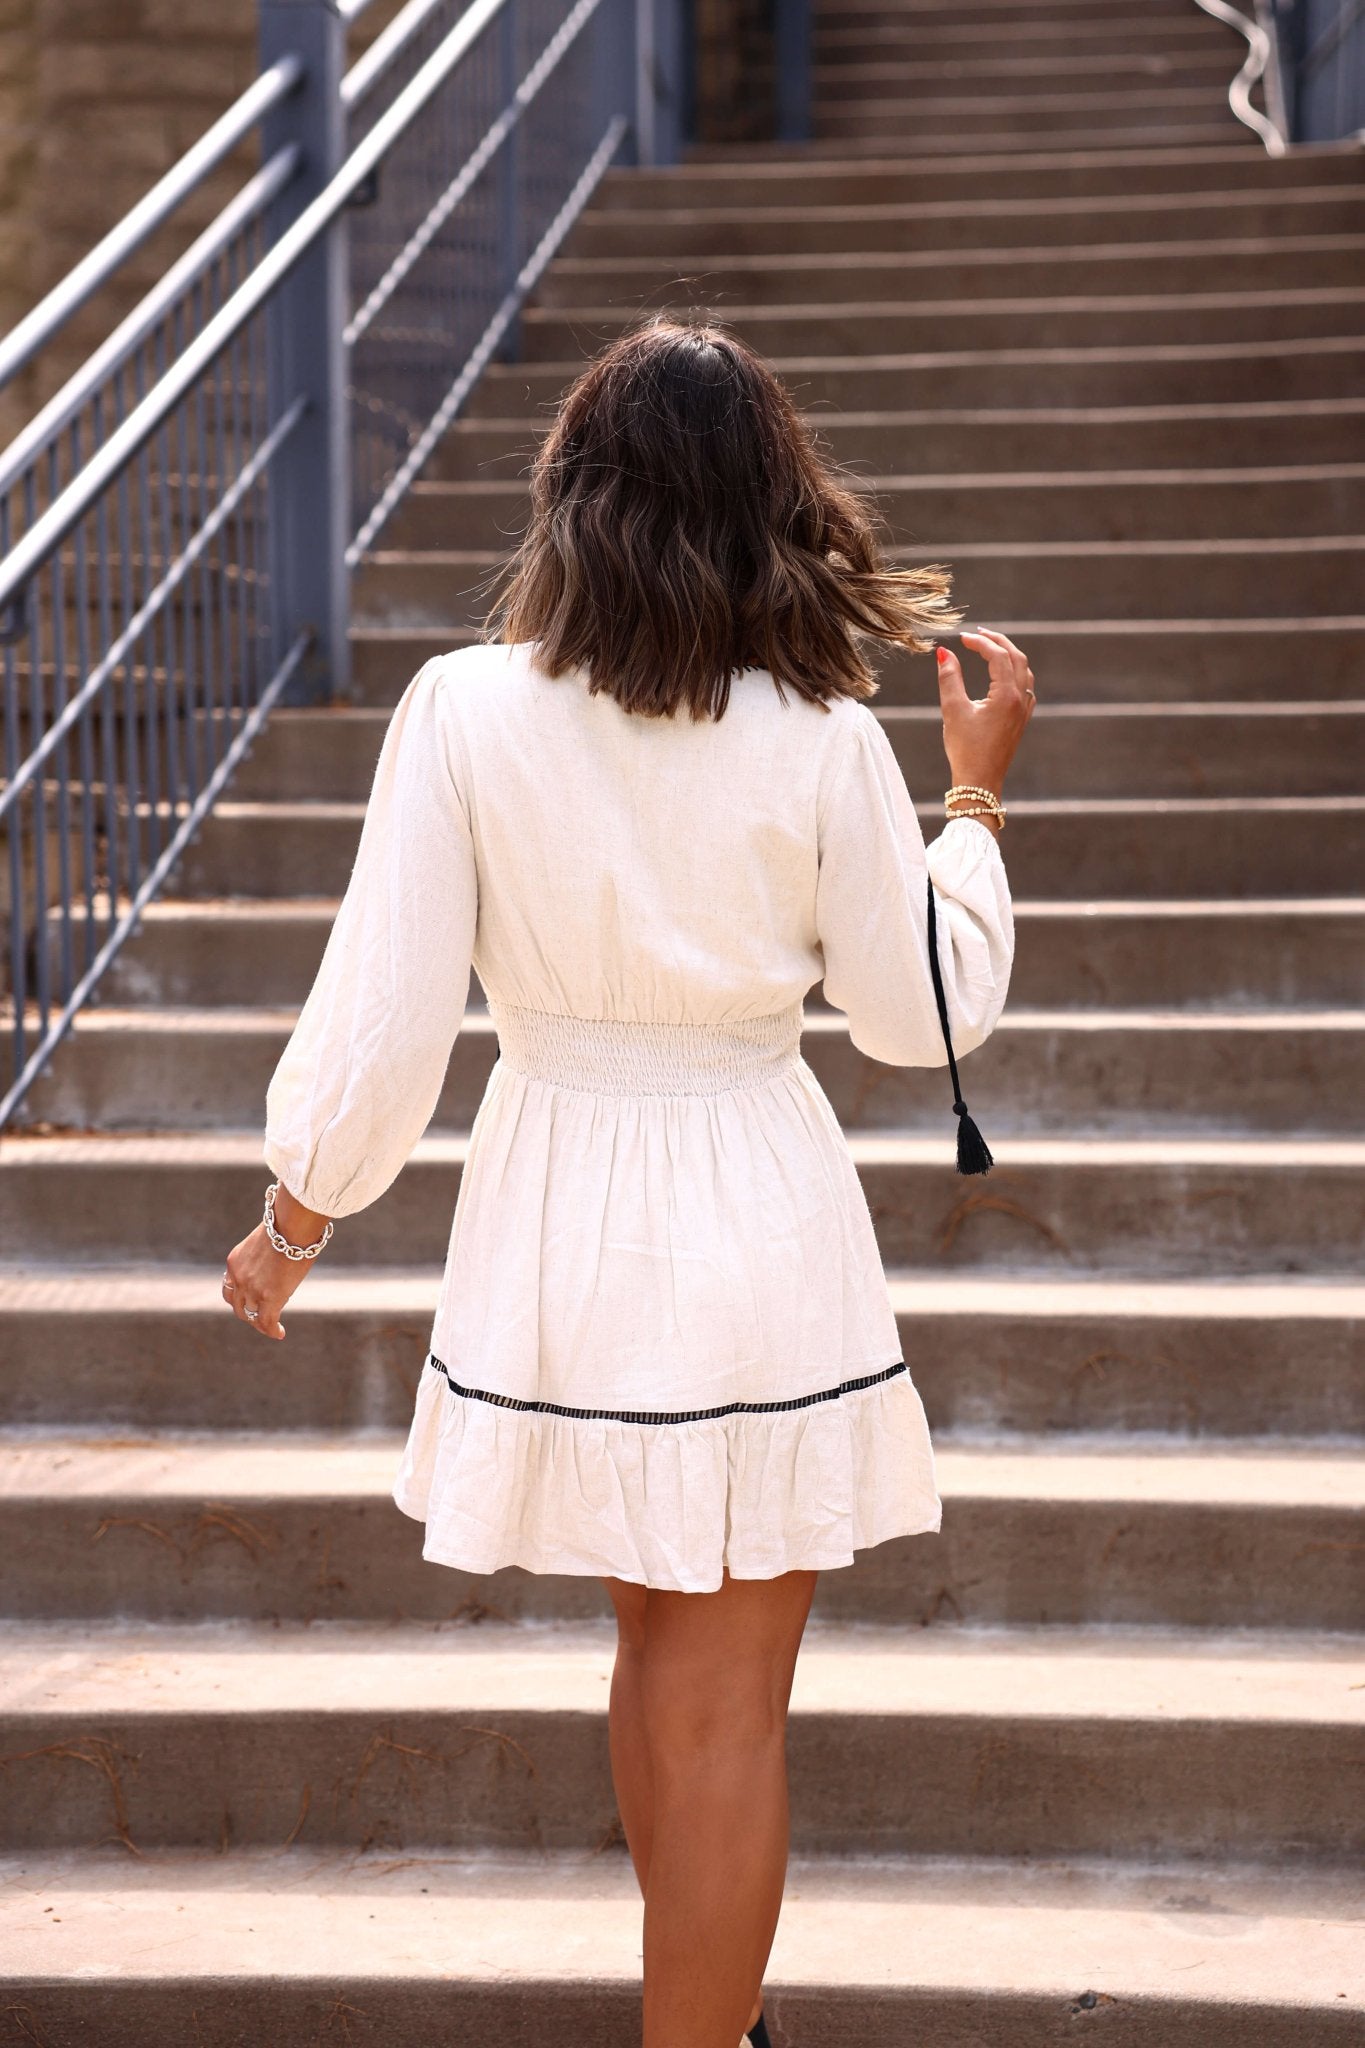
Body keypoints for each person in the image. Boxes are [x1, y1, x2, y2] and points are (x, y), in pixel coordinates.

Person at [222, 316, 1032, 2048]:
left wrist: (299, 1214)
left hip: (558, 1204)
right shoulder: (819, 727)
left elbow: (388, 1004)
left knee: (657, 1658)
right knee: (722, 1701)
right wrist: (973, 805)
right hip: (751, 1195)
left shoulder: (463, 709)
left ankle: (708, 2019)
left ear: (571, 494)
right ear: (768, 498)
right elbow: (917, 1017)